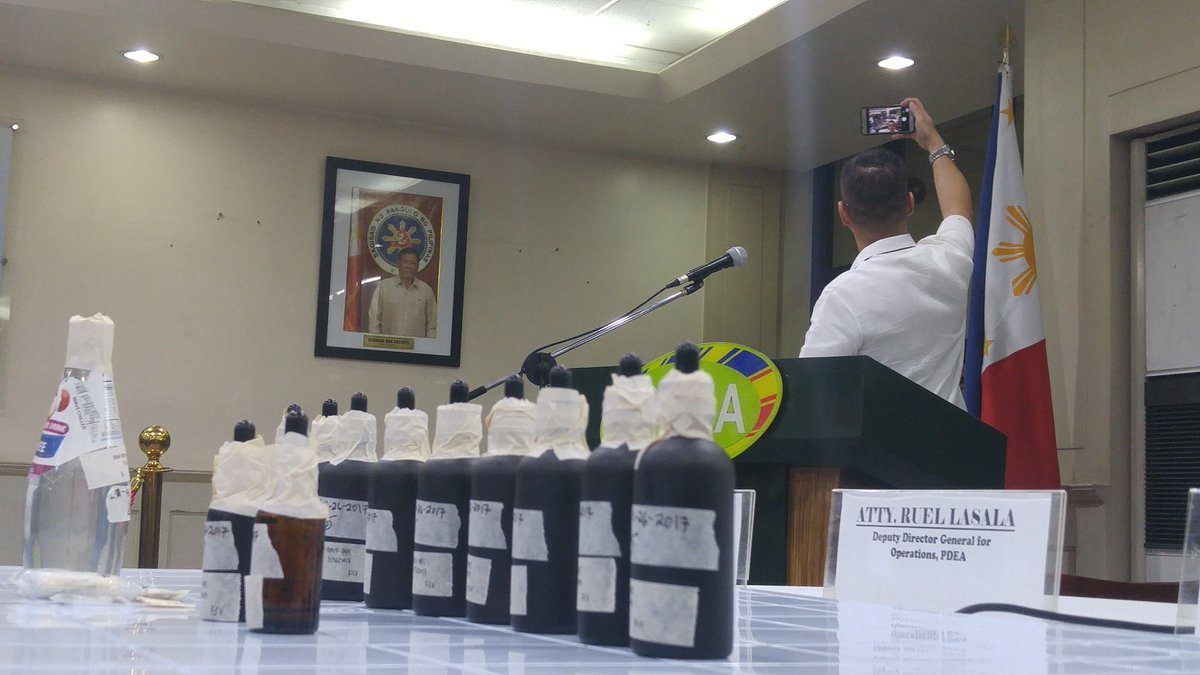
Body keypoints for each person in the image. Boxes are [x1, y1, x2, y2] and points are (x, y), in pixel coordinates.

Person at [799, 97, 973, 408]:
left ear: (843, 214)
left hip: (882, 441)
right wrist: (933, 141)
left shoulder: (842, 296)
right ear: (909, 203)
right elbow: (958, 209)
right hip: (954, 437)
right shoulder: (948, 261)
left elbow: (812, 393)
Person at [367, 248, 437, 338]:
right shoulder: (383, 287)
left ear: (417, 267)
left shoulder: (426, 290)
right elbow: (374, 320)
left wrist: (428, 345)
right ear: (398, 264)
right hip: (387, 344)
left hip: (417, 346)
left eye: (413, 263)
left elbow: (432, 325)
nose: (408, 266)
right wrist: (376, 342)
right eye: (405, 262)